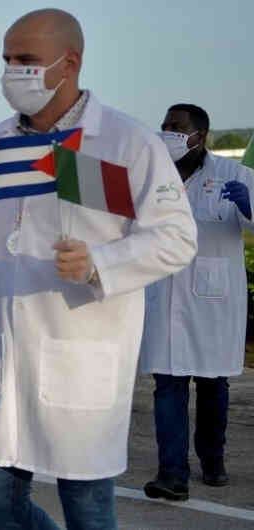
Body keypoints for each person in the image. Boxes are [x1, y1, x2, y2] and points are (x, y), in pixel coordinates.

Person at [0, 9, 197, 529]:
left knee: (87, 511)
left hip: (84, 349)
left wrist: (101, 261)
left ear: (70, 64)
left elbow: (177, 237)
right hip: (10, 349)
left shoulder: (126, 143)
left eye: (26, 61)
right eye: (6, 60)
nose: (11, 73)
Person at [139, 104, 254, 501]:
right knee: (167, 384)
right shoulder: (150, 178)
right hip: (164, 294)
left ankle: (213, 459)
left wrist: (249, 206)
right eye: (165, 125)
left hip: (212, 300)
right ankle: (172, 473)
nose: (168, 132)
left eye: (177, 127)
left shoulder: (236, 175)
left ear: (199, 135)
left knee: (212, 384)